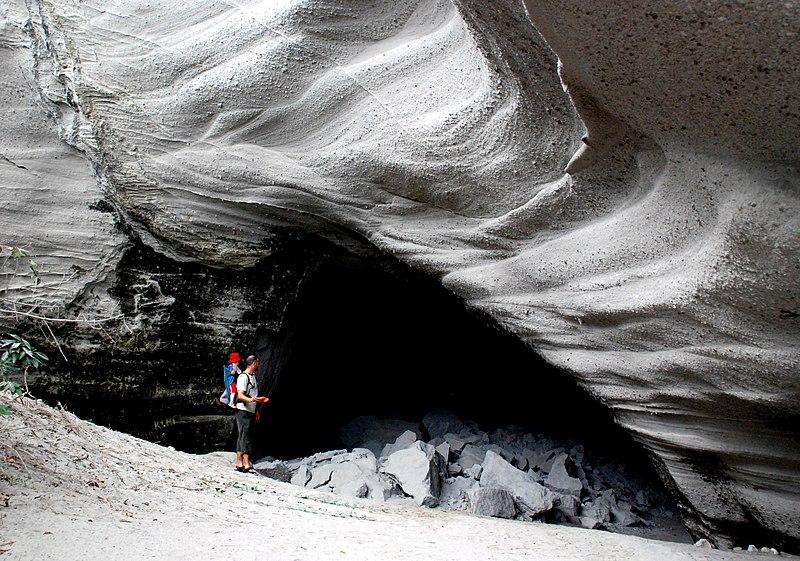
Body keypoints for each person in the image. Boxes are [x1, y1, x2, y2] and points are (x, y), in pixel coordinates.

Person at [235, 355, 268, 472]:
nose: (259, 365)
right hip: (242, 410)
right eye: (258, 363)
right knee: (244, 435)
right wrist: (255, 400)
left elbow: (253, 392)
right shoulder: (243, 377)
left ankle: (242, 461)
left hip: (251, 411)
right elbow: (240, 395)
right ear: (253, 363)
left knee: (247, 435)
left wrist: (256, 410)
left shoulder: (252, 377)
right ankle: (243, 461)